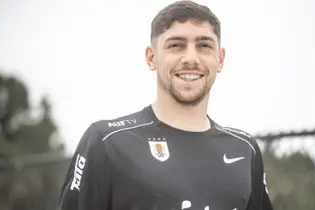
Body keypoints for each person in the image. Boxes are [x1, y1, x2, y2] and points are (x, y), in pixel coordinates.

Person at [58, 1, 273, 210]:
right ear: (151, 57)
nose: (191, 58)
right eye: (176, 45)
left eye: (204, 46)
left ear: (220, 58)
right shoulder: (106, 142)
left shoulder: (245, 149)